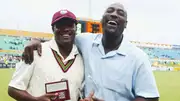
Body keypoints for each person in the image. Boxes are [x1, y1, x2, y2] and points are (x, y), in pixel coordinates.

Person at [20, 3, 160, 101]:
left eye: (120, 13)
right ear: (102, 20)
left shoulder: (138, 57)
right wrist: (36, 40)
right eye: (110, 11)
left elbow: (150, 97)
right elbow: (62, 37)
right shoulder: (85, 41)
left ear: (125, 24)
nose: (114, 15)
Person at [8, 9, 84, 101]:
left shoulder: (81, 58)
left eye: (70, 25)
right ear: (53, 29)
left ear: (76, 28)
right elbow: (13, 89)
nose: (65, 29)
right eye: (60, 25)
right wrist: (35, 100)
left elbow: (77, 93)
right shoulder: (35, 52)